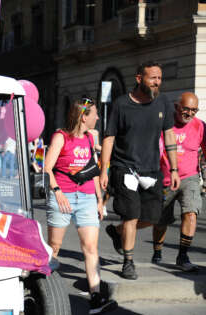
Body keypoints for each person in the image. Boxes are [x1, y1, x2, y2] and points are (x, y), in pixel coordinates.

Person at [101, 61, 180, 280]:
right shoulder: (121, 104)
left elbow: (170, 135)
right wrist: (104, 170)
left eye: (160, 78)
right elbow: (109, 138)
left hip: (151, 168)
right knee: (131, 215)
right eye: (153, 78)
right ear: (139, 79)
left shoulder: (163, 102)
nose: (157, 82)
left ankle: (117, 232)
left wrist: (174, 168)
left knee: (154, 217)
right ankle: (128, 262)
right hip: (124, 166)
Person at [44, 98, 117, 314]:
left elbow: (92, 169)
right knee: (54, 248)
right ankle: (47, 291)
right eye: (94, 114)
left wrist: (98, 199)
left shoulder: (88, 138)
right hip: (63, 197)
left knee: (91, 248)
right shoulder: (61, 137)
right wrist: (57, 193)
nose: (97, 117)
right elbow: (47, 169)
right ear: (83, 116)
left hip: (86, 198)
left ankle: (96, 297)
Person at [151, 92, 204, 272]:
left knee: (191, 213)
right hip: (164, 178)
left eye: (194, 110)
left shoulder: (200, 127)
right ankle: (157, 252)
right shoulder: (164, 124)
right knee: (160, 221)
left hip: (190, 177)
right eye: (186, 109)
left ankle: (183, 256)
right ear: (176, 107)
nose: (189, 113)